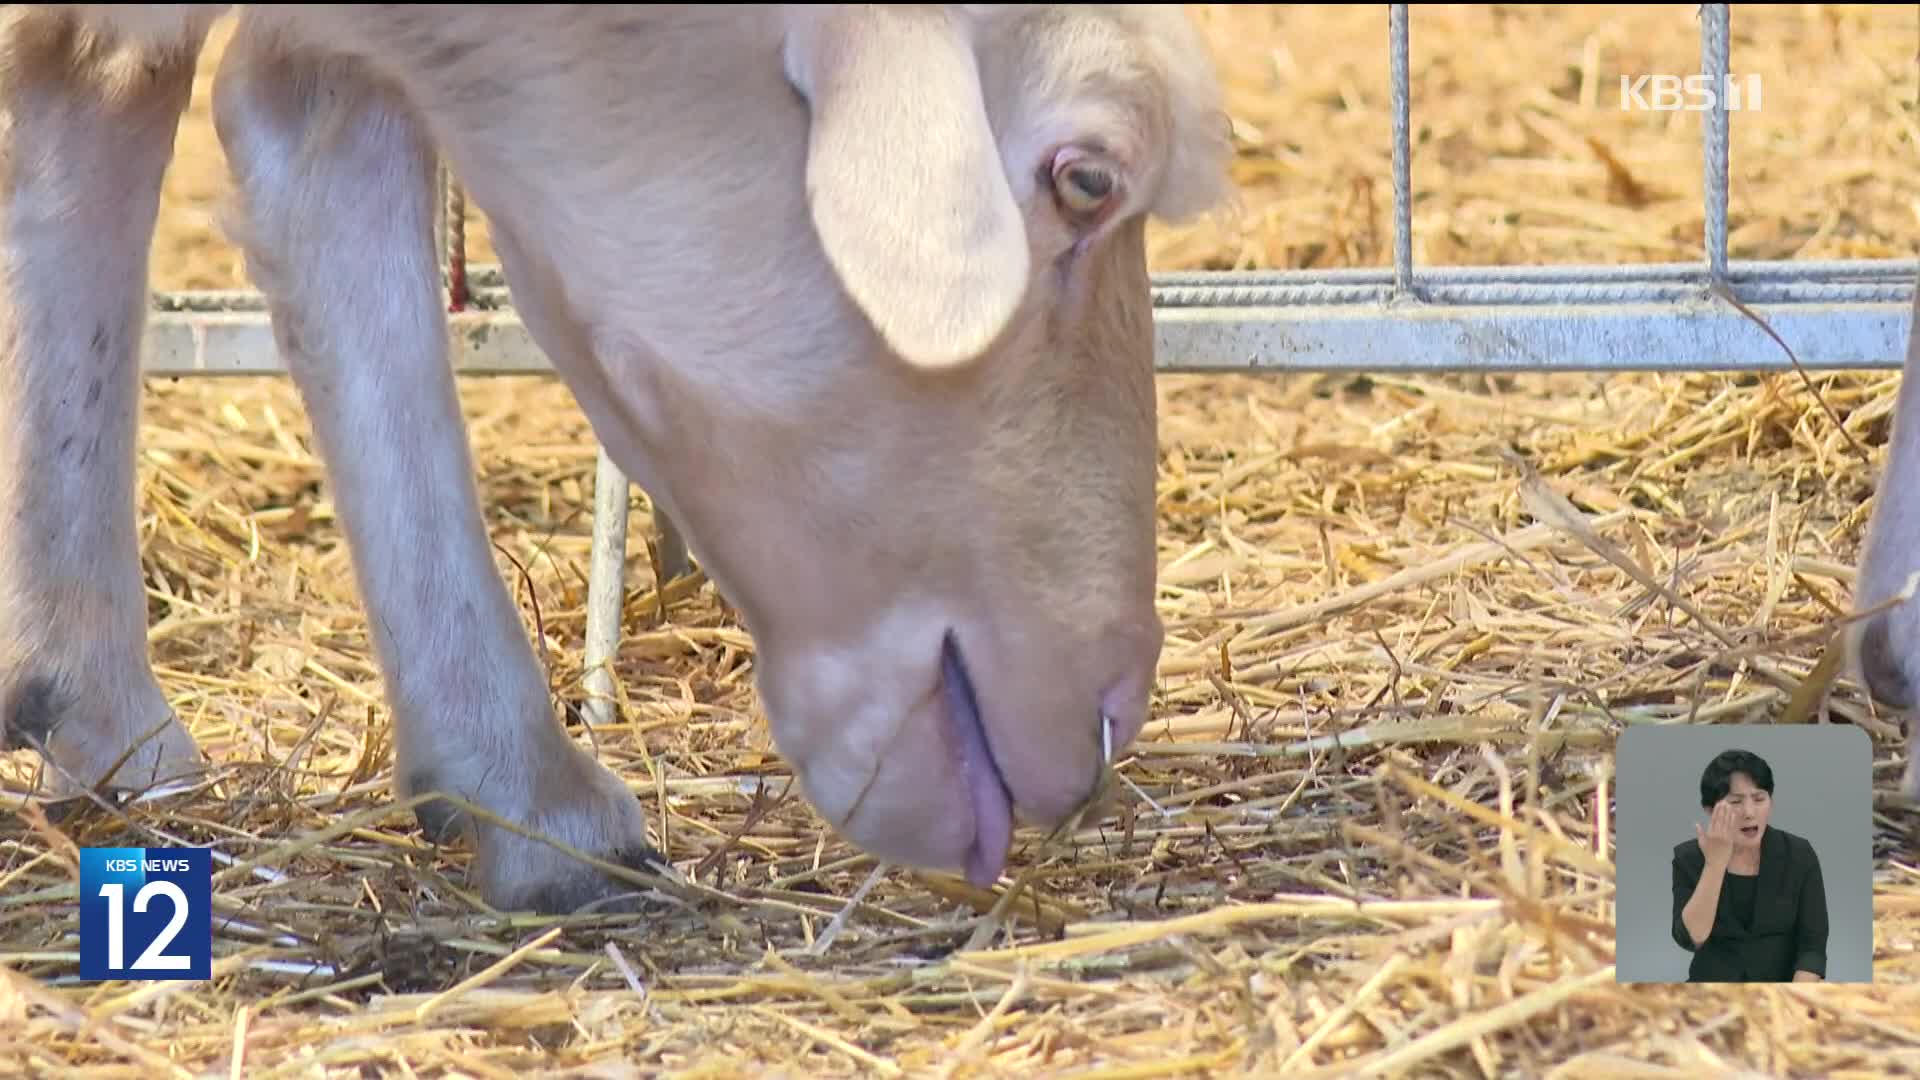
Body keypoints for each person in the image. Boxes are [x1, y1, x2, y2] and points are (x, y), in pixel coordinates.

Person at [1669, 748, 1829, 982]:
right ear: (1710, 811)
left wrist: (1793, 1005)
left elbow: (1812, 949)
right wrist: (1714, 864)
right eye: (1735, 802)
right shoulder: (1688, 858)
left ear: (1771, 802)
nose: (1749, 812)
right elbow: (1691, 938)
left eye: (1759, 799)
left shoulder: (1799, 855)